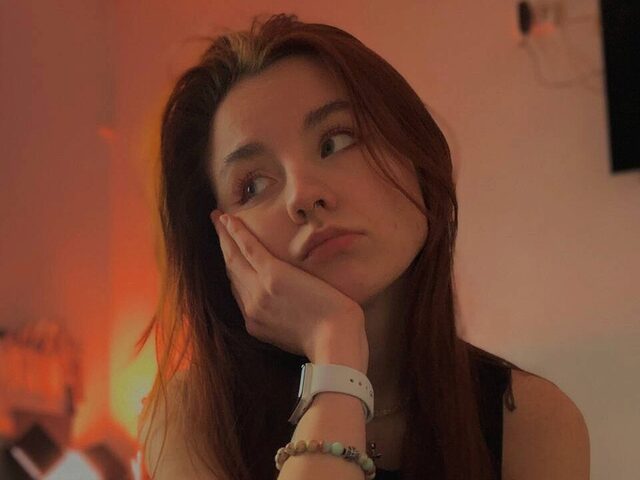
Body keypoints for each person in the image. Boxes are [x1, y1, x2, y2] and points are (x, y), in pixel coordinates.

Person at [137, 13, 589, 480]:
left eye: (336, 141)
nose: (302, 195)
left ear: (415, 154)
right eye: (252, 185)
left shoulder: (532, 421)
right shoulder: (189, 418)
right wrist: (335, 349)